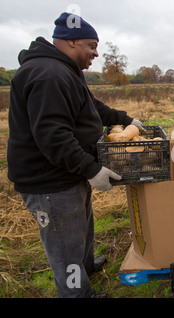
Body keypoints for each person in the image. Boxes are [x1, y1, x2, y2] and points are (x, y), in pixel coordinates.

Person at [7, 12, 143, 298]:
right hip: (48, 180)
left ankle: (85, 265)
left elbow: (90, 107)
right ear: (71, 42)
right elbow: (53, 136)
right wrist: (91, 170)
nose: (96, 52)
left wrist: (125, 119)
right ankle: (76, 293)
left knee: (81, 224)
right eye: (91, 45)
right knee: (64, 241)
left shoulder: (65, 71)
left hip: (67, 171)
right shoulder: (49, 75)